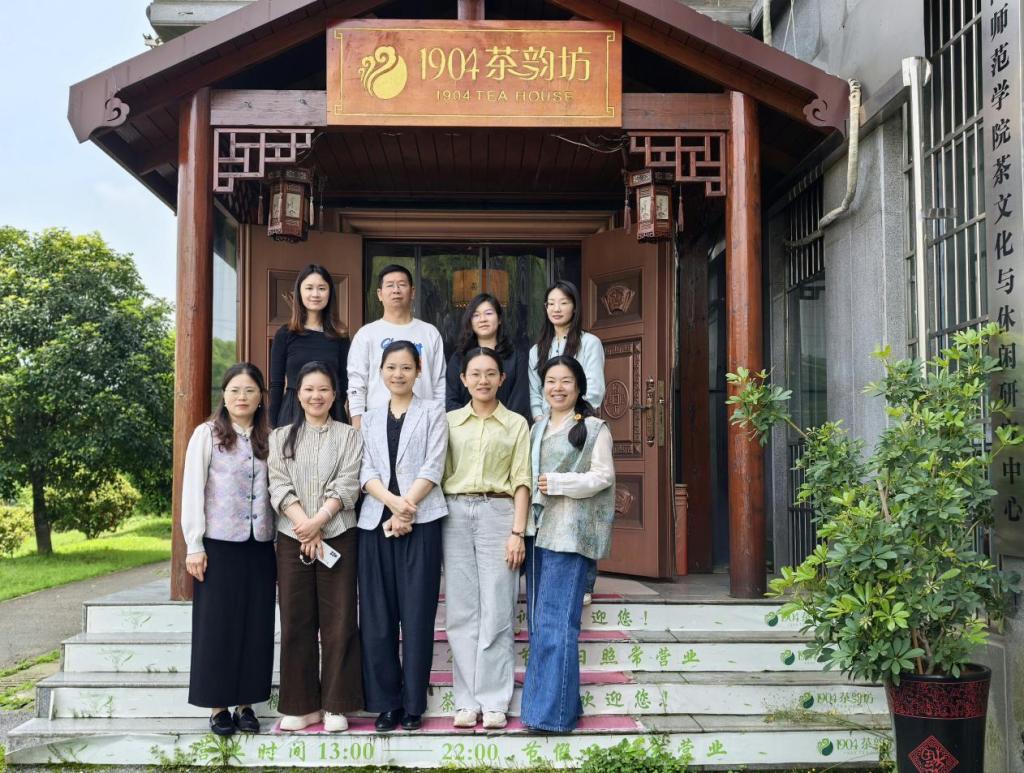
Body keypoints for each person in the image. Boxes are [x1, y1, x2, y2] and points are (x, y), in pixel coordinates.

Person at [357, 340, 449, 732]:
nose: (398, 374)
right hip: (375, 523)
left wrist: (406, 507)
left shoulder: (434, 412)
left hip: (422, 522)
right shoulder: (369, 418)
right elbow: (364, 470)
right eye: (392, 367)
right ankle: (386, 703)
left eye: (406, 367)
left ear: (418, 371)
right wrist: (394, 504)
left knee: (417, 616)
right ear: (381, 372)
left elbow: (434, 465)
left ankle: (413, 704)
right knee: (377, 618)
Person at [521, 355, 615, 732]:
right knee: (540, 625)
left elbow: (603, 476)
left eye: (565, 382)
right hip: (539, 532)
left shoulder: (594, 428)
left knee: (557, 624)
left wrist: (559, 483)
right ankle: (563, 707)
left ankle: (550, 717)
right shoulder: (537, 427)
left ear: (579, 388)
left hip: (571, 535)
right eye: (550, 381)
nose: (557, 388)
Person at [182, 363, 277, 737]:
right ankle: (218, 707)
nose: (242, 397)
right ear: (224, 395)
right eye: (235, 390)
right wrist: (194, 544)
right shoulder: (207, 434)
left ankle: (247, 704)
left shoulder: (270, 437)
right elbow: (193, 489)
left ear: (260, 398)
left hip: (260, 545)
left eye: (250, 390)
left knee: (256, 625)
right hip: (218, 545)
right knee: (217, 626)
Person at [268, 361, 364, 732]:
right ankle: (301, 705)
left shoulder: (349, 436)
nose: (316, 396)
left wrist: (318, 522)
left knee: (340, 620)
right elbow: (278, 485)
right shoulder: (280, 437)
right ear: (298, 394)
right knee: (296, 620)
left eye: (323, 389)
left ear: (334, 393)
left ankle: (336, 705)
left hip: (338, 532)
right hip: (293, 536)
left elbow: (348, 483)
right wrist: (305, 527)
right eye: (309, 389)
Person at [442, 347, 531, 730]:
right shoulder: (448, 422)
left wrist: (517, 532)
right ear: (463, 379)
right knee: (462, 611)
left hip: (499, 513)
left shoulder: (516, 424)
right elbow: (438, 475)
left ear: (502, 378)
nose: (483, 380)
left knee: (497, 608)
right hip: (455, 514)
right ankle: (466, 701)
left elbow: (523, 480)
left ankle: (494, 700)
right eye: (475, 374)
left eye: (490, 373)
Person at [528, 280, 607, 604]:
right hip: (547, 431)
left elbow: (594, 388)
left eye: (563, 302)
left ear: (574, 306)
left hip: (578, 428)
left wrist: (572, 418)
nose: (557, 308)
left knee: (580, 503)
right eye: (551, 303)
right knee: (547, 497)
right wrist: (544, 421)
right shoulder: (537, 349)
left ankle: (585, 582)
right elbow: (535, 394)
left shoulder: (589, 342)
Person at [348, 264, 445, 430]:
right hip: (377, 424)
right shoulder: (366, 334)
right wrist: (357, 421)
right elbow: (357, 382)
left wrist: (439, 419)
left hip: (424, 423)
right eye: (390, 285)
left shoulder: (430, 333)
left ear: (412, 292)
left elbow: (439, 383)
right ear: (379, 294)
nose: (396, 290)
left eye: (401, 284)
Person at [269, 264, 351, 427]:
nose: (315, 294)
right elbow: (276, 384)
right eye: (309, 288)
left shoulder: (340, 335)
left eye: (321, 288)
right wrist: (272, 423)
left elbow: (344, 381)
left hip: (331, 413)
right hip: (292, 412)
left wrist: (337, 408)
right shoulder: (285, 334)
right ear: (299, 292)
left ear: (330, 293)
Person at [446, 293, 530, 422]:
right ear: (470, 321)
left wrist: (500, 425)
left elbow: (520, 399)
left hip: (507, 428)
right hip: (466, 429)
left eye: (489, 313)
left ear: (499, 319)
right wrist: (471, 426)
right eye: (476, 315)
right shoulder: (459, 358)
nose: (483, 319)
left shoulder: (517, 357)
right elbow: (451, 399)